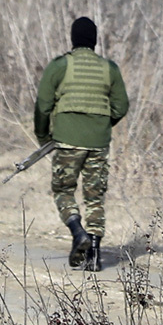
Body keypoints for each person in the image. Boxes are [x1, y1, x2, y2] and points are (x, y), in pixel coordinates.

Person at [34, 17, 129, 271]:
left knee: (64, 190)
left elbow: (43, 106)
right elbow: (121, 106)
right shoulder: (110, 68)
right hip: (98, 142)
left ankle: (78, 232)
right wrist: (102, 124)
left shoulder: (60, 66)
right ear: (95, 41)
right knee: (95, 197)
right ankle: (95, 256)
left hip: (67, 140)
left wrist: (43, 137)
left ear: (73, 40)